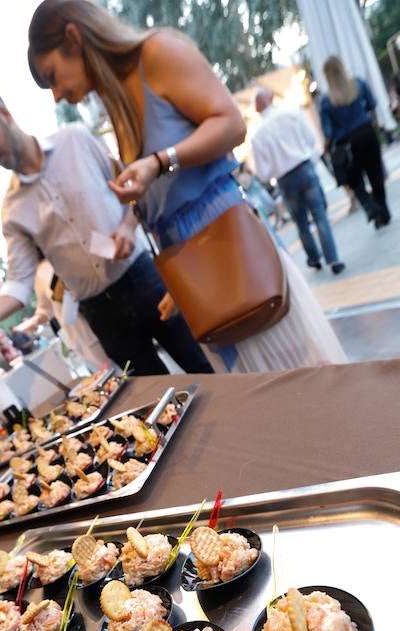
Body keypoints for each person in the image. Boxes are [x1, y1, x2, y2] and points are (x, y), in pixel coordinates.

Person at [27, 0, 348, 374]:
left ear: (74, 37)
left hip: (232, 250)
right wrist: (136, 225)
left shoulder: (158, 52)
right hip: (201, 270)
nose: (57, 94)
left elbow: (231, 124)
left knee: (299, 383)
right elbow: (162, 193)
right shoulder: (118, 102)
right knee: (269, 398)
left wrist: (160, 162)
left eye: (52, 76)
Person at [0, 84, 213, 376]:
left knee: (203, 366)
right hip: (101, 313)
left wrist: (128, 225)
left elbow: (129, 185)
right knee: (158, 404)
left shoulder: (74, 139)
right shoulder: (13, 210)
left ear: (4, 113)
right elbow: (19, 279)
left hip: (143, 279)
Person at [251, 87, 345, 276]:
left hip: (284, 179)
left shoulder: (257, 134)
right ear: (271, 98)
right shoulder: (292, 112)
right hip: (304, 167)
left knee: (301, 224)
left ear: (257, 108)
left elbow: (263, 172)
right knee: (320, 216)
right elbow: (310, 140)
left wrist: (276, 168)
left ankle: (314, 259)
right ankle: (333, 259)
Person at [319, 55, 391, 229]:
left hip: (346, 144)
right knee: (375, 175)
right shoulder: (358, 83)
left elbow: (328, 131)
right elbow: (372, 105)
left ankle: (371, 207)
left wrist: (327, 146)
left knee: (355, 182)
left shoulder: (326, 101)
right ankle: (384, 211)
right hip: (366, 132)